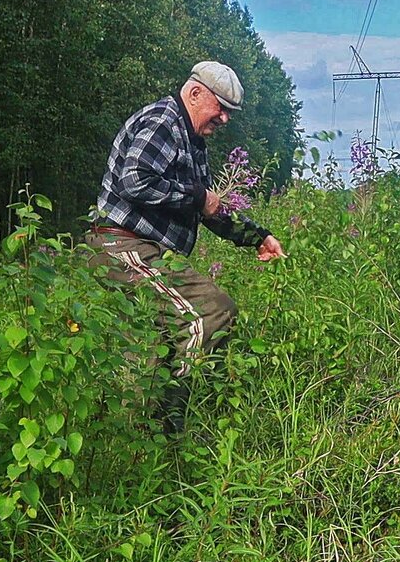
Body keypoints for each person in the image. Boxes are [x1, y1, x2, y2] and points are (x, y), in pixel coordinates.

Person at [86, 60, 285, 428]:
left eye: (230, 113)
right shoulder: (164, 122)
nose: (224, 119)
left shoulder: (192, 141)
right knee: (211, 313)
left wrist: (258, 237)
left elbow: (211, 208)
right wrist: (197, 197)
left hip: (147, 251)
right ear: (195, 94)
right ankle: (167, 427)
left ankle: (134, 439)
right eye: (221, 108)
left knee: (150, 348)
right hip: (121, 244)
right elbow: (134, 180)